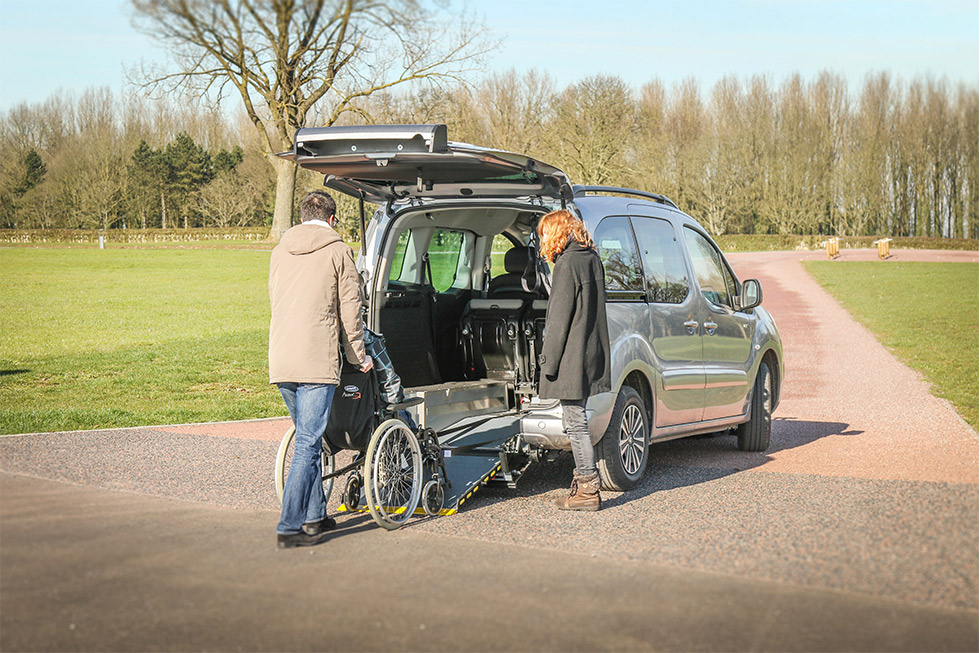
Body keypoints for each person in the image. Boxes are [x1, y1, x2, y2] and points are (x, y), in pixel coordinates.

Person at [269, 190, 373, 548]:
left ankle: (315, 516)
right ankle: (289, 525)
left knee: (307, 439)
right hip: (316, 360)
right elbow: (350, 312)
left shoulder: (279, 251)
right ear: (331, 219)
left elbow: (276, 300)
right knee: (310, 443)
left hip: (281, 358)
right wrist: (359, 358)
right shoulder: (338, 251)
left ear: (302, 216)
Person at [536, 209, 611, 511]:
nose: (541, 240)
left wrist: (547, 363)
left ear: (555, 232)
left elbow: (558, 321)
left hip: (570, 356)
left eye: (544, 233)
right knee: (577, 420)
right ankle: (585, 487)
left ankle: (588, 490)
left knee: (575, 424)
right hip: (589, 351)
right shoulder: (591, 258)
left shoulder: (566, 264)